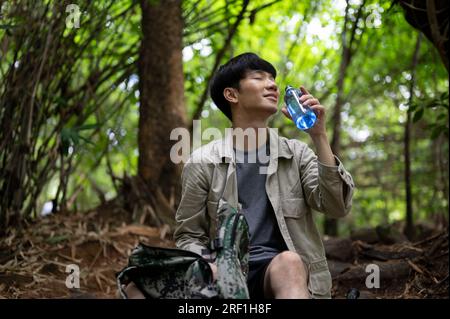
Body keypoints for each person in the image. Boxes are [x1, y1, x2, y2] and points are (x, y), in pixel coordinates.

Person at [173, 52, 355, 299]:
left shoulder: (296, 154)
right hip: (224, 276)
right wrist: (208, 267)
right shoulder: (203, 162)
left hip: (282, 273)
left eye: (272, 78)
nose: (272, 84)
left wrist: (319, 136)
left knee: (290, 262)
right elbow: (189, 235)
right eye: (259, 78)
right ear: (232, 94)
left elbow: (337, 206)